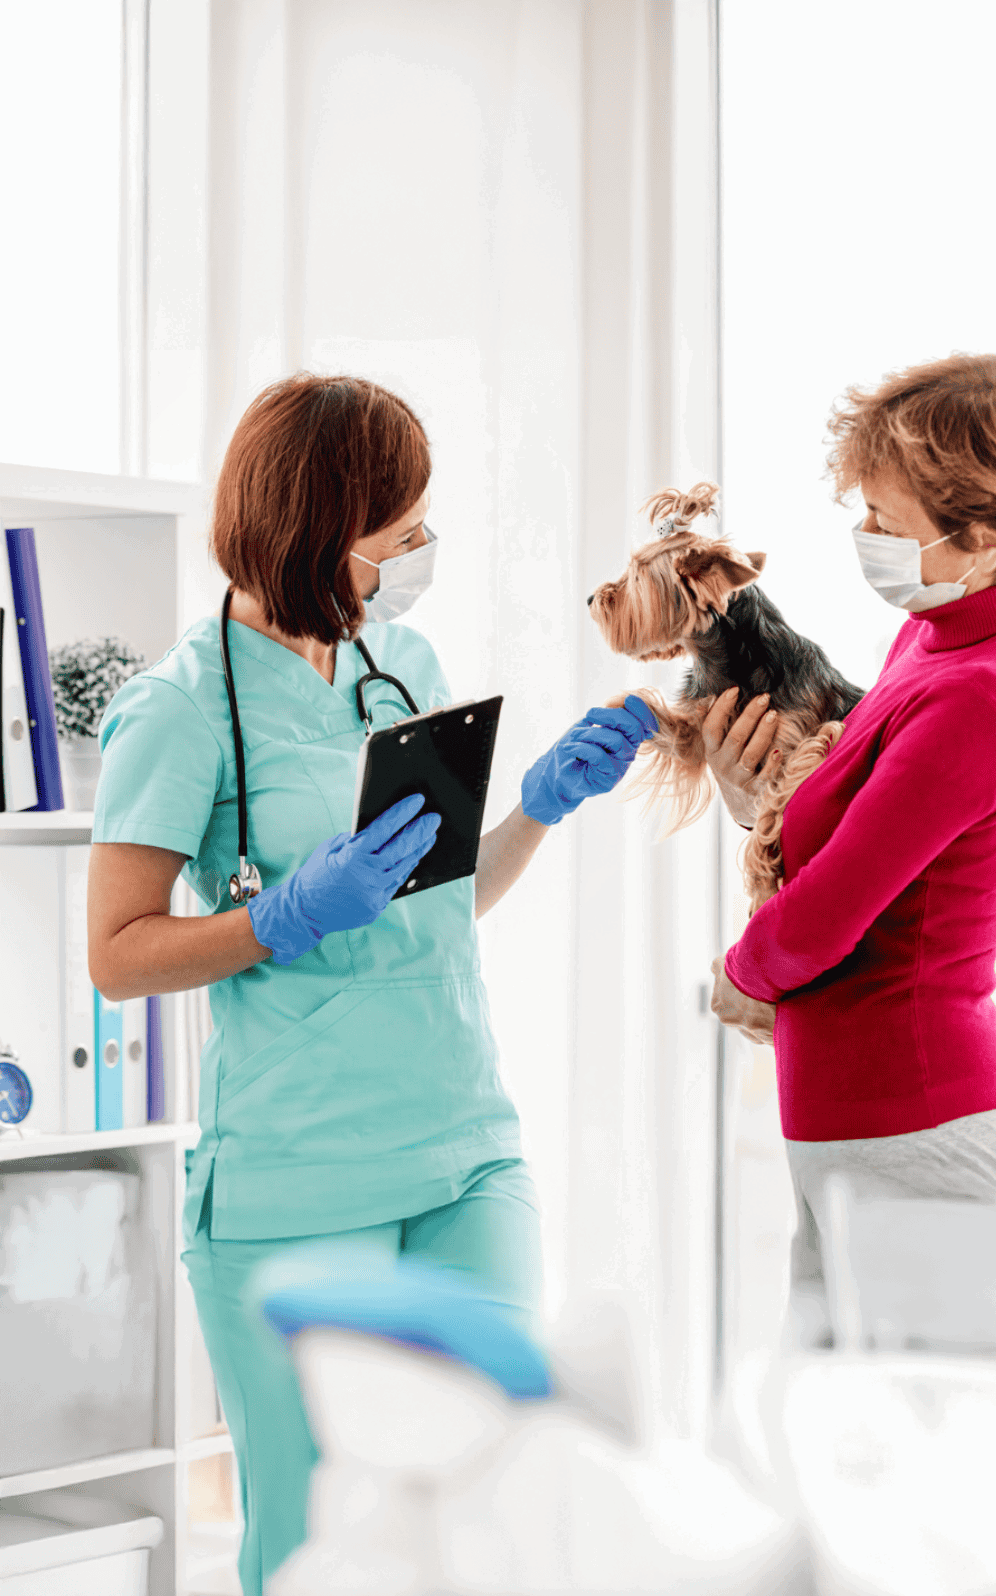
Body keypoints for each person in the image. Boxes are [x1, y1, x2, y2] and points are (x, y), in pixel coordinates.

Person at [87, 373, 656, 1596]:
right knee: (317, 1550)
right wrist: (278, 918)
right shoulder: (180, 710)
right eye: (396, 536)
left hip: (464, 1150)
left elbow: (436, 904)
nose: (419, 555)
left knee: (494, 1517)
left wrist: (539, 812)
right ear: (311, 536)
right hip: (294, 1184)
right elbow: (118, 953)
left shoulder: (401, 658)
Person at [705, 352, 996, 1349]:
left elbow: (827, 918)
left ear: (987, 540)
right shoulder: (934, 641)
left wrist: (740, 974)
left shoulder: (981, 694)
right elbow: (853, 841)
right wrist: (751, 797)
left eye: (888, 521)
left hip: (914, 1137)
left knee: (926, 1481)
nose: (866, 538)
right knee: (831, 1457)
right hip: (855, 1128)